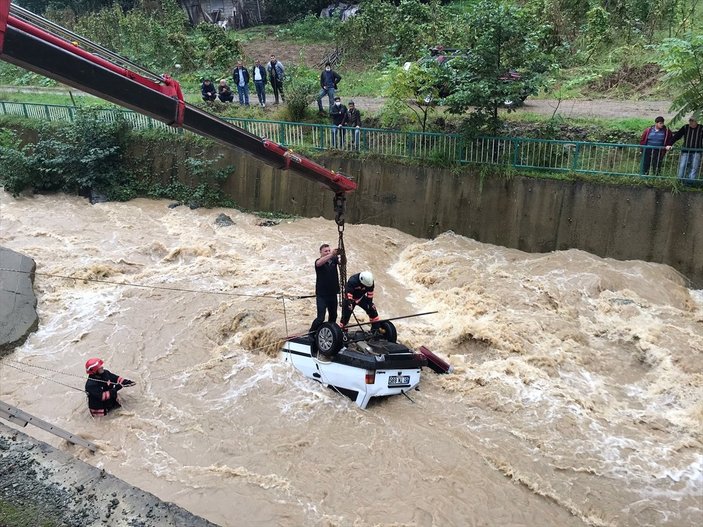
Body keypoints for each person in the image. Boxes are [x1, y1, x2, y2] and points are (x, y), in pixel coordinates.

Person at [309, 244, 340, 333]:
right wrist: (332, 254)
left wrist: (341, 255)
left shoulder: (334, 259)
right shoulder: (318, 261)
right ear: (321, 253)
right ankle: (311, 332)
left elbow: (342, 263)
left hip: (333, 294)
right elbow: (319, 263)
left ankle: (329, 332)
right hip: (322, 295)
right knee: (320, 318)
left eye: (329, 250)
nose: (327, 252)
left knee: (333, 316)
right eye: (325, 251)